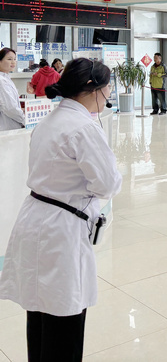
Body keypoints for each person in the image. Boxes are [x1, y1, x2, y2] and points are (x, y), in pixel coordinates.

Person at [0, 58, 122, 361]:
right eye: (108, 88)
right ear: (93, 88)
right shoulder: (84, 128)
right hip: (61, 230)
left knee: (40, 315)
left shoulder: (50, 121)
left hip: (36, 218)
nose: (109, 94)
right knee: (64, 318)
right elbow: (107, 184)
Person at [0, 47, 24, 130]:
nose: (13, 62)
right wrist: (24, 119)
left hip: (10, 125)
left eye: (14, 59)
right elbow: (10, 108)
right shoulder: (1, 81)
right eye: (9, 59)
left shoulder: (6, 78)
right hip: (6, 127)